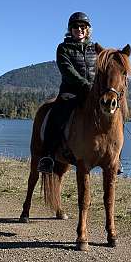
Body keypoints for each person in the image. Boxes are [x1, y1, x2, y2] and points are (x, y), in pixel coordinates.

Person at [37, 11, 97, 173]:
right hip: (70, 92)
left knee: (115, 114)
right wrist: (85, 84)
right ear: (70, 29)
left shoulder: (96, 49)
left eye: (83, 26)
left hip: (93, 93)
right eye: (76, 26)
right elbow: (67, 70)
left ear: (88, 29)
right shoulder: (63, 48)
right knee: (57, 115)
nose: (79, 29)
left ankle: (115, 158)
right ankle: (48, 156)